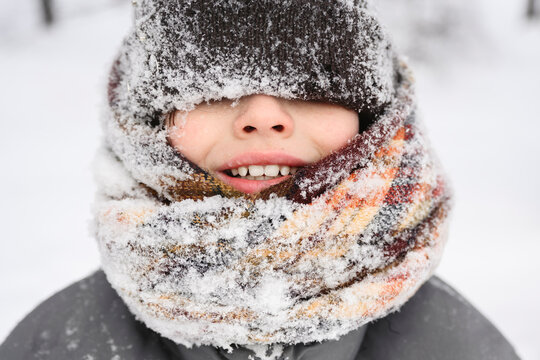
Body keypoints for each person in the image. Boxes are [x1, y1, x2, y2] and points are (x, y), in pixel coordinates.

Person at [0, 1, 520, 359]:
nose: (264, 117)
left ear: (377, 121)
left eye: (314, 85)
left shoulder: (459, 344)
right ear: (145, 124)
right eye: (208, 85)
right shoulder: (56, 343)